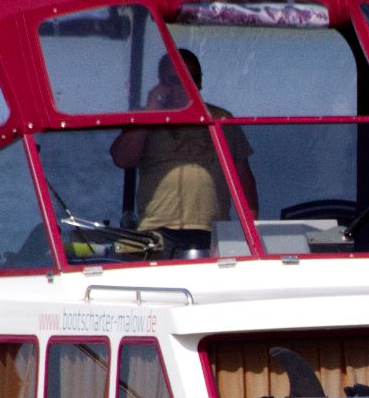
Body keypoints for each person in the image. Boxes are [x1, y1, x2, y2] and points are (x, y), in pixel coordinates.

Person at [108, 53, 257, 254]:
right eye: (177, 80)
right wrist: (151, 112)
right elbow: (122, 158)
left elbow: (243, 178)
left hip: (213, 231)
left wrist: (250, 231)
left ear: (201, 82)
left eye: (193, 78)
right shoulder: (146, 119)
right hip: (159, 232)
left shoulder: (221, 119)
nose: (186, 86)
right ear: (162, 83)